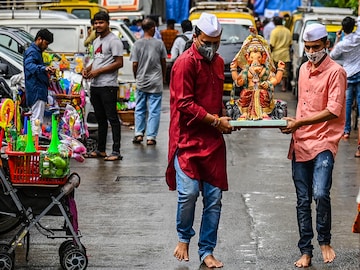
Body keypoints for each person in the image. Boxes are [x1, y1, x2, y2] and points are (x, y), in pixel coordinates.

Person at [166, 12, 233, 268]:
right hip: (187, 140)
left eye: (216, 43)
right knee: (189, 194)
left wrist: (227, 117)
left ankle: (207, 251)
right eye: (207, 42)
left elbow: (218, 99)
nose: (212, 47)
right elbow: (184, 103)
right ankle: (183, 237)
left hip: (213, 142)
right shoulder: (184, 63)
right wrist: (216, 121)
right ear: (195, 37)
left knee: (214, 199)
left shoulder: (218, 62)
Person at [280, 23, 346, 268]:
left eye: (315, 47)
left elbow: (333, 110)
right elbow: (302, 105)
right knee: (302, 200)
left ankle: (325, 241)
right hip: (300, 142)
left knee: (320, 193)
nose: (311, 51)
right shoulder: (303, 69)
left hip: (324, 142)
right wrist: (287, 121)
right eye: (307, 47)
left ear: (326, 45)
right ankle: (305, 250)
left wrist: (300, 122)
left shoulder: (336, 72)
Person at [82, 11, 124, 161]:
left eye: (101, 22)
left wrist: (98, 71)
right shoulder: (96, 41)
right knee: (100, 119)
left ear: (108, 23)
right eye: (96, 23)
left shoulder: (114, 41)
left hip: (108, 85)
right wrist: (87, 69)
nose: (98, 25)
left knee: (112, 118)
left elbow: (119, 62)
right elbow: (97, 59)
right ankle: (101, 150)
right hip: (96, 85)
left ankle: (116, 151)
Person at [230, 27, 285, 120]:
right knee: (244, 93)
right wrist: (233, 69)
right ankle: (245, 112)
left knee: (264, 94)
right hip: (250, 90)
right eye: (252, 57)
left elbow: (275, 80)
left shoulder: (265, 70)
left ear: (263, 58)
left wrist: (280, 69)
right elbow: (239, 82)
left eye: (258, 57)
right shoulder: (247, 71)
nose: (255, 60)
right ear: (248, 58)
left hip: (261, 91)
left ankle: (264, 112)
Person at [130, 18, 167, 145]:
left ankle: (139, 134)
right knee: (154, 110)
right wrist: (163, 76)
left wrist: (137, 76)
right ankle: (151, 137)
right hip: (156, 81)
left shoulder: (137, 44)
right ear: (152, 28)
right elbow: (163, 62)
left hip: (141, 81)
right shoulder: (159, 44)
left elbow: (134, 64)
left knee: (140, 108)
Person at [330, 12, 360, 153]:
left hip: (348, 74)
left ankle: (346, 131)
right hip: (359, 73)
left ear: (343, 28)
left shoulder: (342, 44)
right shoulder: (358, 37)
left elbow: (332, 55)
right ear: (353, 27)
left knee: (347, 104)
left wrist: (337, 38)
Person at [24, 28, 56, 134]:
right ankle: (34, 143)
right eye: (46, 43)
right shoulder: (32, 52)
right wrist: (43, 68)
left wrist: (46, 68)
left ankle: (35, 141)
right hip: (36, 89)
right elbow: (29, 65)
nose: (46, 47)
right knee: (37, 118)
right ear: (39, 39)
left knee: (37, 118)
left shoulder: (36, 51)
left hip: (39, 88)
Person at [269, 16, 292, 92]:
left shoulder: (274, 31)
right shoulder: (287, 31)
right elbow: (290, 44)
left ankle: (273, 85)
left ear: (274, 22)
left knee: (273, 71)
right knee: (284, 71)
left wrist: (269, 53)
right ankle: (283, 86)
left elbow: (272, 44)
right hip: (285, 54)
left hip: (276, 54)